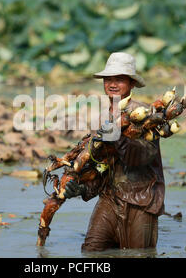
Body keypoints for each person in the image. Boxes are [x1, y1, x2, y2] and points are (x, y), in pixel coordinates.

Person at [63, 52, 165, 251]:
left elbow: (143, 156)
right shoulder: (103, 118)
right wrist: (82, 188)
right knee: (91, 251)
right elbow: (101, 165)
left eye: (119, 79)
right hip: (110, 198)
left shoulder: (145, 114)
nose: (112, 84)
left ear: (132, 83)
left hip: (141, 199)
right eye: (108, 79)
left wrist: (118, 137)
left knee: (139, 255)